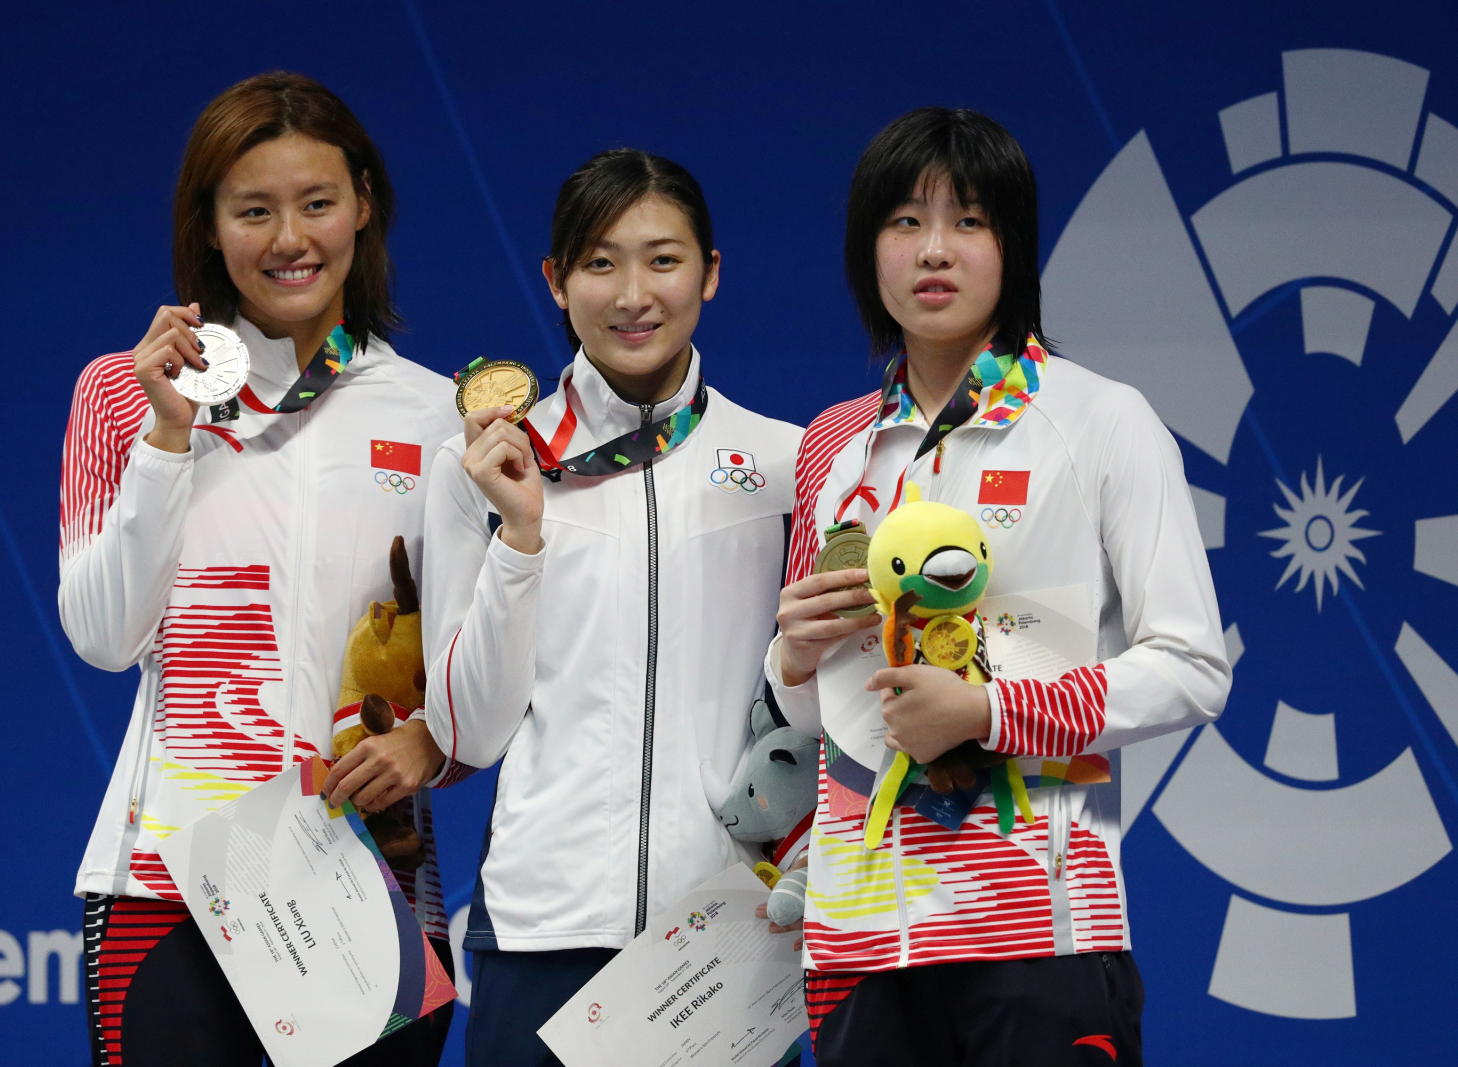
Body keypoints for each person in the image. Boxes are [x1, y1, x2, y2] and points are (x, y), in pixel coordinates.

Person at [766, 108, 1231, 1066]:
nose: (934, 249)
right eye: (904, 221)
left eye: (969, 220)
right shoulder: (831, 444)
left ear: (1014, 247)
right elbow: (812, 715)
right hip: (858, 934)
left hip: (1036, 933)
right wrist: (794, 654)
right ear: (867, 251)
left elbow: (1191, 666)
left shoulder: (1102, 419)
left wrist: (985, 710)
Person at [59, 72, 460, 1067]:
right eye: (254, 210)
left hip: (371, 885)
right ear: (208, 224)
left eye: (317, 203)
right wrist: (166, 436)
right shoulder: (125, 390)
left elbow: (473, 664)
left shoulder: (433, 411)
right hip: (168, 884)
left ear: (363, 205)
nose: (290, 238)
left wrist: (432, 744)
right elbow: (104, 638)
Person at [420, 149, 805, 1067]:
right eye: (600, 262)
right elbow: (466, 732)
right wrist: (521, 539)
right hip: (541, 935)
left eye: (663, 259)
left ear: (711, 272)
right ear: (556, 281)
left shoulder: (786, 464)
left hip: (726, 937)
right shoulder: (479, 467)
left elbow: (815, 705)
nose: (633, 293)